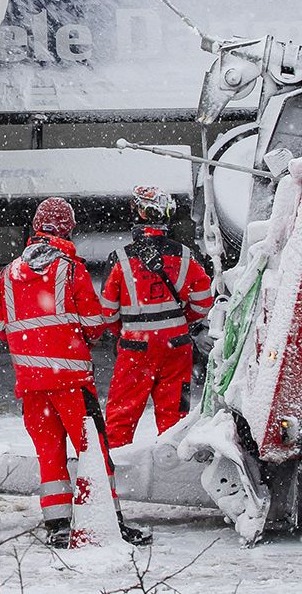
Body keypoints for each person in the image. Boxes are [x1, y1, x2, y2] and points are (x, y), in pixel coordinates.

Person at [0, 196, 150, 548]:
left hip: (31, 387)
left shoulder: (7, 275)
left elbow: (3, 327)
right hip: (71, 384)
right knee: (93, 453)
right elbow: (94, 324)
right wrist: (70, 339)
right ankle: (110, 522)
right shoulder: (70, 270)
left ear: (36, 227)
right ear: (68, 228)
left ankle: (58, 526)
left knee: (49, 457)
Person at [101, 186, 214, 451]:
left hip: (135, 348)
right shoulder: (186, 255)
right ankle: (171, 467)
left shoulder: (119, 259)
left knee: (121, 417)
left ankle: (116, 471)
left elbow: (108, 312)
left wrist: (127, 330)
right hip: (177, 346)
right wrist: (178, 321)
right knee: (174, 417)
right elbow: (203, 301)